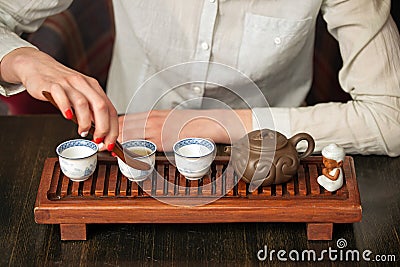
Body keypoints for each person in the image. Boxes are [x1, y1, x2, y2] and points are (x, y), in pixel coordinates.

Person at [0, 0, 399, 156]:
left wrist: (205, 125)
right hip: (121, 151)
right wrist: (25, 59)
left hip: (268, 162)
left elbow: (391, 117)